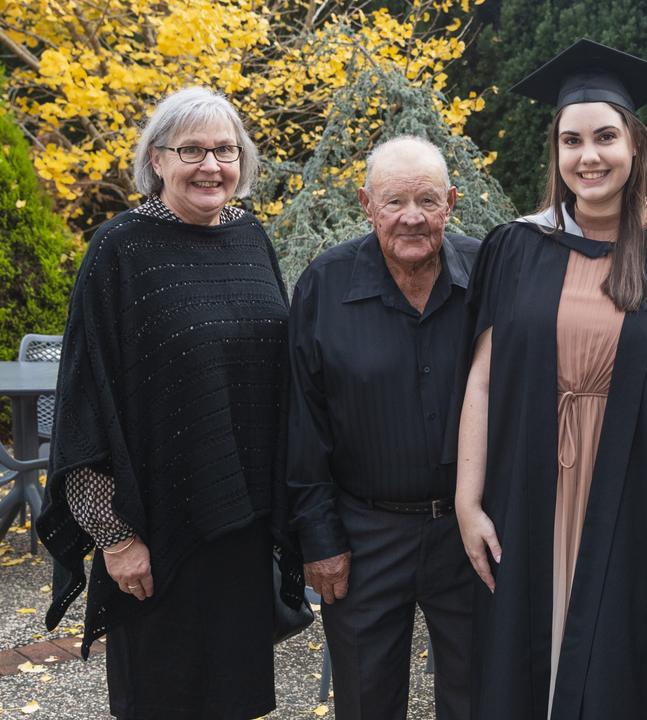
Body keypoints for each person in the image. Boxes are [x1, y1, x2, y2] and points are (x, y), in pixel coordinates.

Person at [455, 39, 647, 720]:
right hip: (527, 494)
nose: (588, 156)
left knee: (627, 675)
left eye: (604, 137)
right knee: (521, 669)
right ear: (555, 151)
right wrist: (467, 502)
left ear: (635, 144)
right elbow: (481, 378)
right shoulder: (515, 248)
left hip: (638, 497)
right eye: (572, 141)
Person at [37, 86, 301, 719]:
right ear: (156, 160)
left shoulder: (251, 239)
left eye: (225, 150)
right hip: (155, 534)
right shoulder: (120, 249)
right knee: (162, 698)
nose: (211, 165)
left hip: (243, 525)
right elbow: (85, 402)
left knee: (235, 698)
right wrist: (115, 536)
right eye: (192, 150)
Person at [286, 135, 479, 719]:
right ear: (367, 206)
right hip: (364, 535)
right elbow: (303, 421)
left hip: (471, 532)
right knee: (367, 700)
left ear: (451, 201)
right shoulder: (325, 284)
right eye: (395, 202)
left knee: (483, 699)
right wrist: (319, 541)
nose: (412, 217)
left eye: (427, 200)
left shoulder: (490, 271)